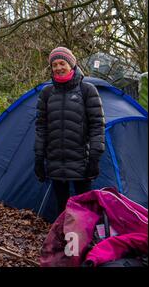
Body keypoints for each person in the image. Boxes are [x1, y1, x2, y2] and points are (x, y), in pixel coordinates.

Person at [34, 47, 105, 216]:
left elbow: (97, 126)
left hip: (82, 161)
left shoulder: (87, 91)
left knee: (84, 208)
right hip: (55, 160)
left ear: (72, 65)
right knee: (61, 207)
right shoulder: (47, 93)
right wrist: (38, 158)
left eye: (62, 63)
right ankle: (64, 238)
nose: (58, 68)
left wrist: (94, 158)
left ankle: (84, 240)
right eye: (54, 64)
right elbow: (41, 127)